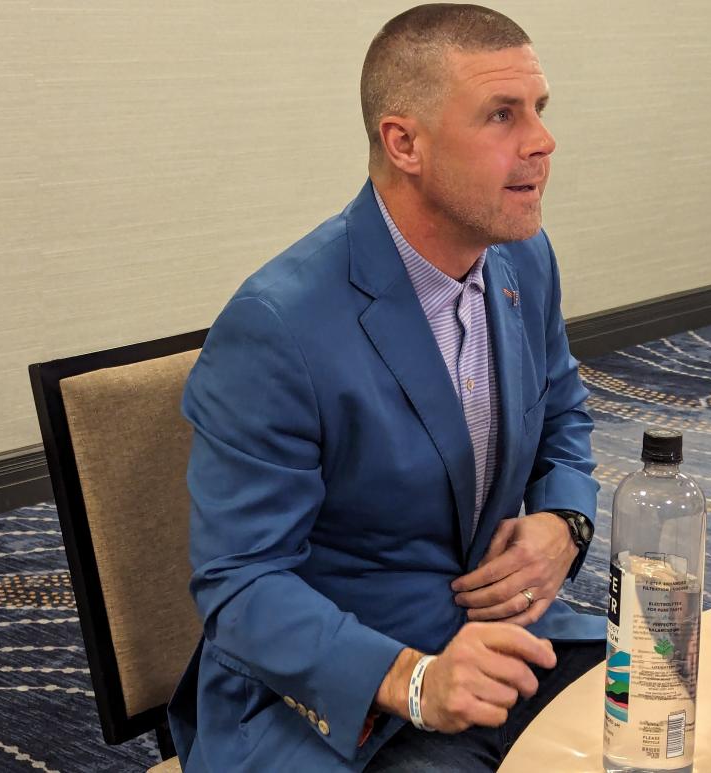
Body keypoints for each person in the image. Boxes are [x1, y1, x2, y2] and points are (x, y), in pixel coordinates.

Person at [168, 4, 607, 771]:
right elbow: (240, 586)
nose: (542, 141)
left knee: (680, 713)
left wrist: (565, 522)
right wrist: (413, 679)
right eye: (502, 115)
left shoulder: (521, 260)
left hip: (500, 645)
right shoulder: (278, 325)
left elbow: (562, 407)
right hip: (344, 696)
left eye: (539, 110)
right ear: (404, 142)